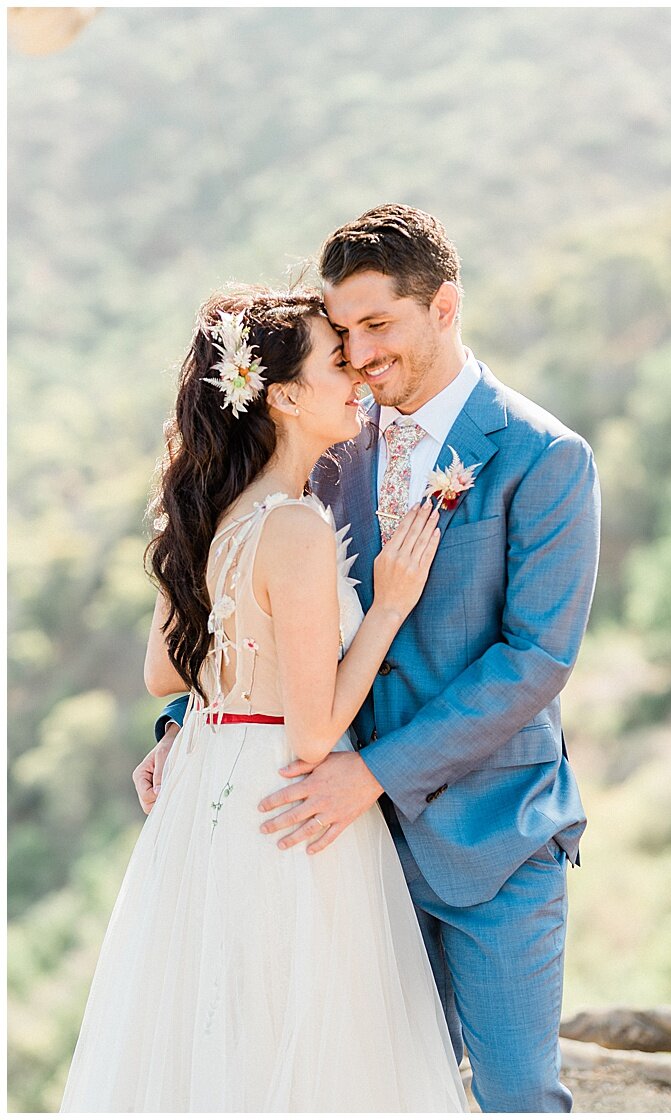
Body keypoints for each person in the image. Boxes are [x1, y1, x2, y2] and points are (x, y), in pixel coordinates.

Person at [140, 207, 602, 1111]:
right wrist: (191, 728)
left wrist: (372, 773)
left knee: (515, 1097)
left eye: (377, 325)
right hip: (347, 851)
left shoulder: (545, 457)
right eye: (342, 333)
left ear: (445, 307)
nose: (357, 354)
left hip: (492, 837)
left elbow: (535, 661)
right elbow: (256, 615)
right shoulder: (322, 448)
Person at [62, 287, 465, 1110]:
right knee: (308, 1040)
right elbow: (315, 732)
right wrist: (387, 608)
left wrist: (234, 683)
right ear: (280, 395)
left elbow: (163, 675)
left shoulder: (213, 517)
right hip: (288, 796)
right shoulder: (298, 529)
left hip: (215, 775)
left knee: (217, 1025)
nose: (355, 372)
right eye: (334, 360)